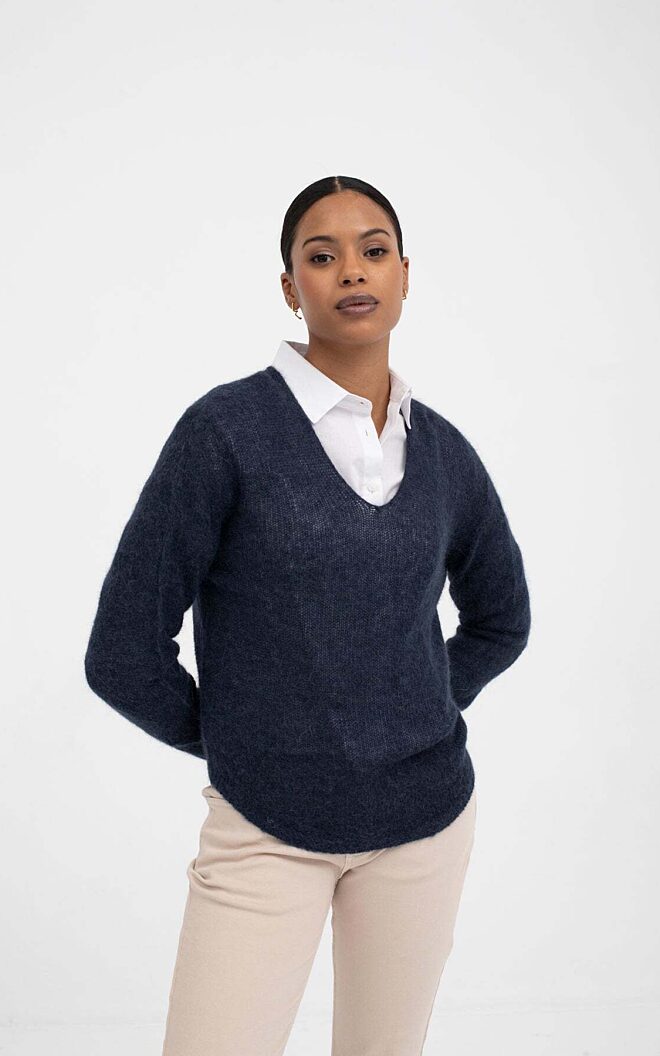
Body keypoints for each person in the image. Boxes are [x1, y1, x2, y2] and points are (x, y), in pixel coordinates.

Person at [84, 174, 532, 1055]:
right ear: (291, 288)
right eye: (321, 257)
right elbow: (122, 652)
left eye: (374, 251)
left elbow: (501, 619)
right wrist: (248, 739)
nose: (351, 271)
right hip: (264, 829)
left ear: (405, 274)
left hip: (425, 826)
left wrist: (412, 707)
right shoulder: (225, 432)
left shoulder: (444, 453)